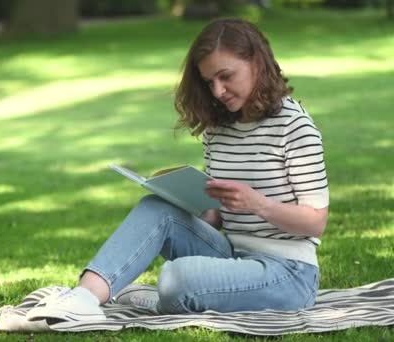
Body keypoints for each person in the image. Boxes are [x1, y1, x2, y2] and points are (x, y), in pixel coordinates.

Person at [27, 17, 329, 322]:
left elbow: (315, 223)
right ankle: (84, 298)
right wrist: (192, 203)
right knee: (156, 208)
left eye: (226, 76)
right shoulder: (218, 130)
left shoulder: (294, 127)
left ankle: (162, 300)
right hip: (231, 256)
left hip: (289, 273)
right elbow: (218, 218)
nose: (218, 91)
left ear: (257, 63)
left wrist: (257, 203)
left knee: (176, 279)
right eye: (209, 82)